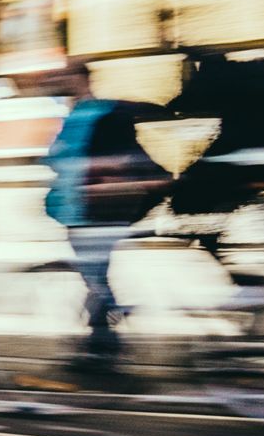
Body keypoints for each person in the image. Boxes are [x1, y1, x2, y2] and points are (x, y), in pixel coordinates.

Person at [42, 62, 172, 362]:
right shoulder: (72, 117)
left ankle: (105, 336)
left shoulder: (104, 113)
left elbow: (127, 154)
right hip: (74, 211)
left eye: (65, 76)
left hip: (98, 209)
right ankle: (102, 337)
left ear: (81, 79)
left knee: (95, 277)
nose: (59, 81)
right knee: (95, 276)